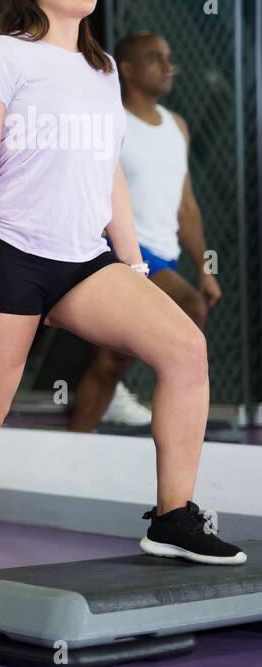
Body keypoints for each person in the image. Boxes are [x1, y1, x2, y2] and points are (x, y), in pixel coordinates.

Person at [0, 0, 244, 596]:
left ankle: (172, 516)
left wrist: (131, 267)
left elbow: (110, 178)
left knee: (186, 350)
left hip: (83, 260)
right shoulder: (1, 57)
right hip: (8, 253)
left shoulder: (102, 72)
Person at [68, 31, 222, 431]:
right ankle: (175, 425)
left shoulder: (178, 126)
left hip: (164, 257)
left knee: (109, 364)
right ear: (130, 70)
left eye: (169, 57)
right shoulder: (110, 123)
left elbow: (186, 206)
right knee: (190, 307)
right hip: (125, 254)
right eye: (156, 58)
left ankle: (79, 439)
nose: (168, 66)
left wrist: (204, 267)